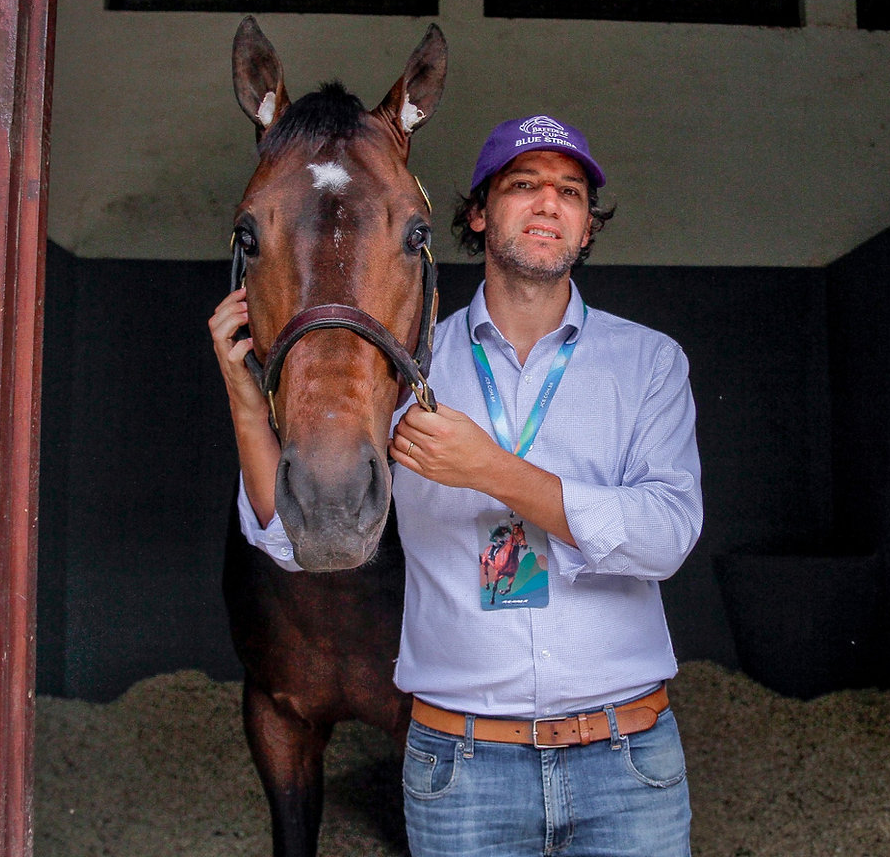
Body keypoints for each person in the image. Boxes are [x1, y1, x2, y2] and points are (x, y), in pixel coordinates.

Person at [212, 114, 703, 857]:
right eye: (524, 186)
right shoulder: (408, 372)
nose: (548, 205)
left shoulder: (649, 364)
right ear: (476, 214)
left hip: (626, 756)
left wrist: (492, 472)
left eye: (570, 193)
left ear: (588, 227)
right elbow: (289, 538)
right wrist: (247, 399)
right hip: (463, 766)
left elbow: (666, 537)